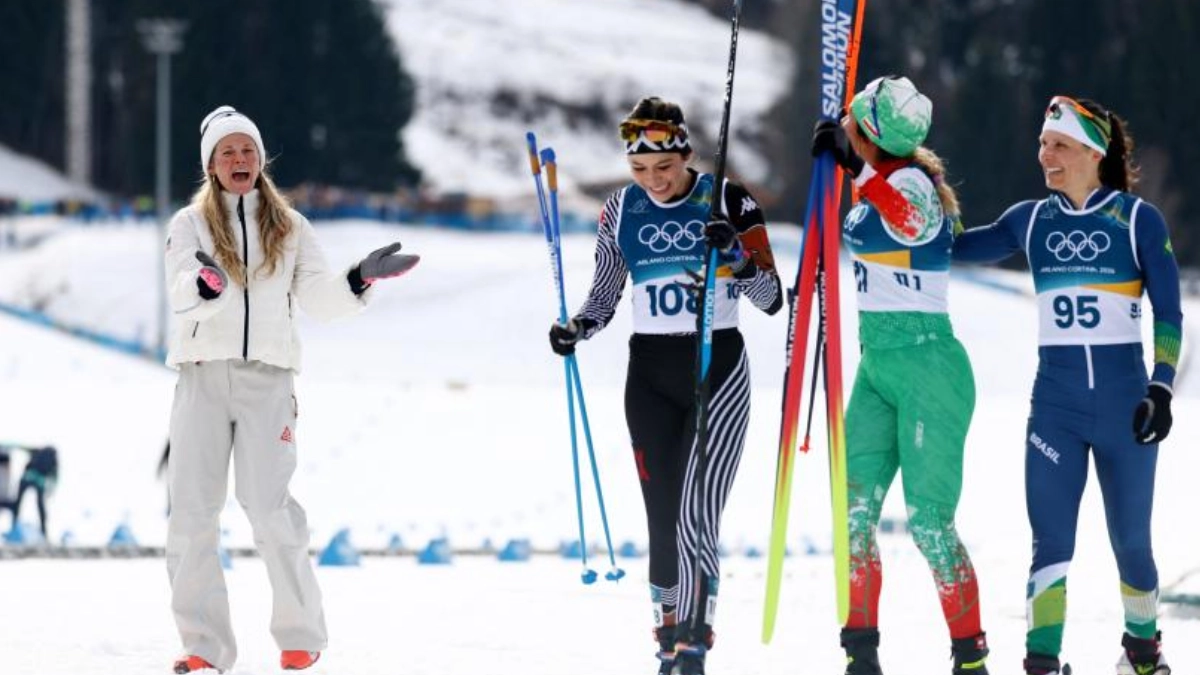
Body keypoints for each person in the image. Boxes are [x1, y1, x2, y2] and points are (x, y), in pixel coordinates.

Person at [164, 105, 419, 674]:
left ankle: (300, 637)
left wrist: (359, 278)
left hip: (268, 382)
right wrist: (205, 284)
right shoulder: (189, 225)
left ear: (260, 158)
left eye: (248, 150)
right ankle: (204, 648)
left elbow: (320, 299)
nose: (239, 159)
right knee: (191, 514)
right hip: (202, 378)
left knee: (271, 509)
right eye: (228, 152)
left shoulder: (291, 226)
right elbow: (181, 292)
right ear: (211, 164)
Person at [548, 96, 782, 675]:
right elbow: (604, 296)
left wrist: (735, 254)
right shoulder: (620, 210)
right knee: (661, 517)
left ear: (686, 153)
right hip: (648, 373)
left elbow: (774, 299)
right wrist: (576, 327)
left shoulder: (728, 198)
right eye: (639, 169)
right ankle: (666, 640)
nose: (653, 181)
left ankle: (694, 640)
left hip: (716, 369)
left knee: (695, 515)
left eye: (664, 167)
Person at [952, 95, 1180, 675]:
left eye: (1059, 145)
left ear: (1092, 153)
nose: (1044, 155)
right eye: (1042, 144)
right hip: (1055, 406)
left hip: (1127, 404)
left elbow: (1171, 314)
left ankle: (1143, 654)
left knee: (1132, 544)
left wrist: (1161, 387)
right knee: (1050, 543)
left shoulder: (1136, 220)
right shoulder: (1029, 220)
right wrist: (872, 185)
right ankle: (1042, 661)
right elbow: (946, 248)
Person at [811, 75, 990, 675]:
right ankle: (861, 653)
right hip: (878, 365)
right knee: (853, 509)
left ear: (873, 134)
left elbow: (910, 225)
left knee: (929, 523)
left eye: (857, 124)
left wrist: (852, 171)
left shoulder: (908, 181)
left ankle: (971, 658)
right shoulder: (877, 180)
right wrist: (842, 168)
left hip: (928, 365)